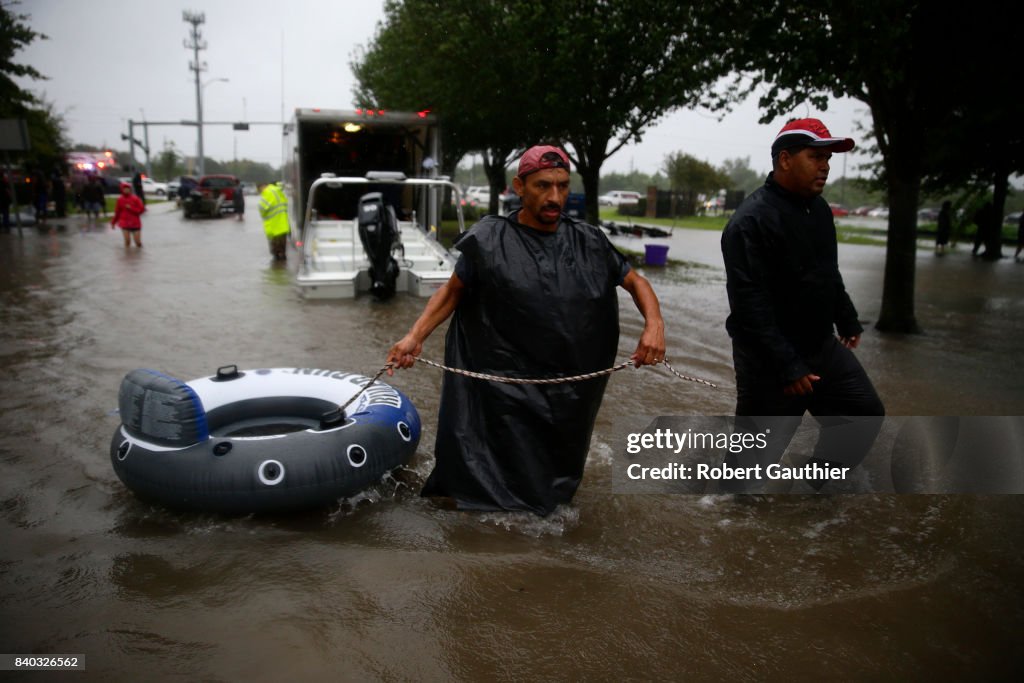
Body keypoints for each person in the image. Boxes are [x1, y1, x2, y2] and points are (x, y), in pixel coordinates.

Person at [386, 145, 665, 516]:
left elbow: (636, 283)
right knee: (484, 470)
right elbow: (451, 292)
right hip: (502, 383)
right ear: (519, 186)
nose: (555, 197)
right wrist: (414, 337)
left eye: (563, 186)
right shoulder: (489, 240)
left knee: (552, 483)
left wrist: (654, 325)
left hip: (566, 389)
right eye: (543, 185)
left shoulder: (589, 241)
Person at [720, 118, 885, 492]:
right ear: (785, 160)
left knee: (864, 415)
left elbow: (826, 271)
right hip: (768, 358)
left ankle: (812, 486)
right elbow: (750, 305)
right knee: (746, 476)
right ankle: (726, 525)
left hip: (819, 346)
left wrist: (846, 318)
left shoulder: (820, 210)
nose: (825, 166)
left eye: (827, 158)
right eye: (815, 157)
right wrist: (788, 366)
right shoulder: (749, 222)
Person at [258, 181, 289, 260]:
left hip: (274, 226)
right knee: (283, 246)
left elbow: (261, 208)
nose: (260, 191)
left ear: (262, 186)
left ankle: (277, 265)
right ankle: (283, 261)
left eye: (259, 190)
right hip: (283, 223)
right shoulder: (277, 190)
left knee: (275, 249)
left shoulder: (267, 193)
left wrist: (264, 216)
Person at [110, 182, 145, 247]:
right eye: (124, 188)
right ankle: (127, 256)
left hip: (135, 223)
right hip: (124, 223)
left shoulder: (135, 199)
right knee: (127, 241)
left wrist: (131, 208)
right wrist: (113, 222)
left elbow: (141, 210)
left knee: (138, 242)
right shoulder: (120, 200)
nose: (126, 190)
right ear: (122, 190)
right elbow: (117, 212)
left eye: (128, 188)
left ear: (130, 189)